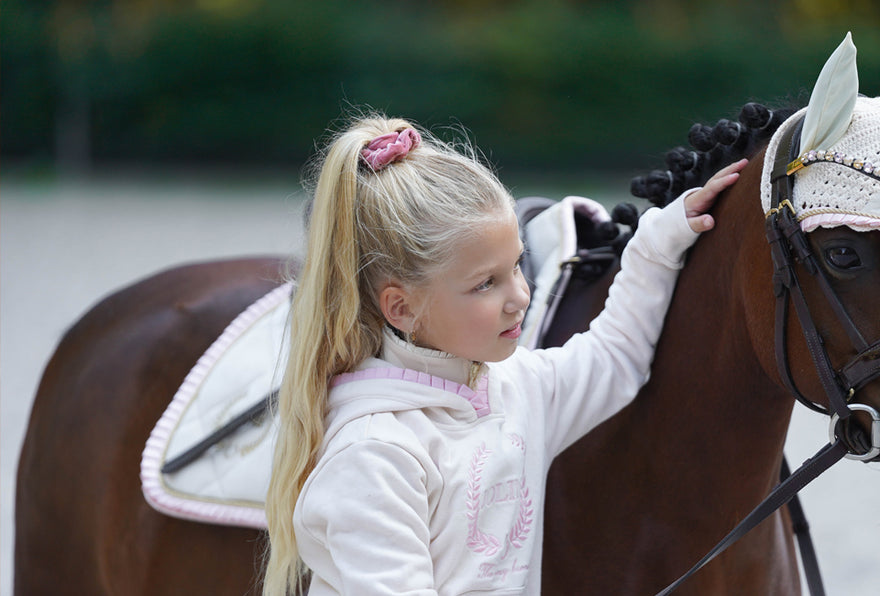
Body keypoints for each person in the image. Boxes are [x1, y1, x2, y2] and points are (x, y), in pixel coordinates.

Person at [262, 113, 746, 596]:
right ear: (402, 308)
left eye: (516, 265)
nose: (519, 295)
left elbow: (616, 357)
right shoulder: (373, 456)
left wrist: (659, 243)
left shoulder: (516, 387)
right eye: (485, 283)